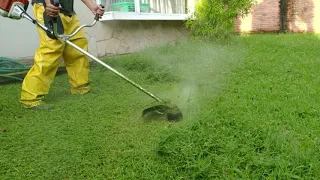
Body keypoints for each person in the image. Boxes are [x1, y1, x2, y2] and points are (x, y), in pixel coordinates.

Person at [20, 0, 104, 110]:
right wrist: (48, 3)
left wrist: (92, 6)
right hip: (49, 9)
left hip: (68, 12)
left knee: (77, 47)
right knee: (51, 51)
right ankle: (30, 98)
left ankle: (81, 88)